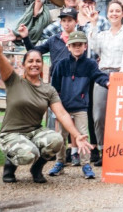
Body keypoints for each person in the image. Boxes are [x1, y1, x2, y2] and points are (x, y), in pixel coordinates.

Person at [0, 10, 92, 184]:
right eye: (30, 61)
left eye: (38, 61)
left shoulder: (48, 90)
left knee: (57, 140)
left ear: (42, 64)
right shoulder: (13, 80)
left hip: (33, 133)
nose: (34, 64)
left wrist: (77, 135)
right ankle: (10, 163)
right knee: (29, 153)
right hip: (11, 134)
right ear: (23, 65)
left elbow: (62, 114)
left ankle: (36, 168)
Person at [41, 30, 109, 179]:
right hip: (63, 107)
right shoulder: (60, 65)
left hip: (81, 107)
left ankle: (86, 164)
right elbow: (54, 88)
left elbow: (98, 76)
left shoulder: (90, 64)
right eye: (74, 45)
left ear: (85, 46)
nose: (77, 47)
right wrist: (56, 106)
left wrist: (107, 82)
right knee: (61, 136)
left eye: (80, 45)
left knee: (83, 134)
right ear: (68, 46)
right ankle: (60, 162)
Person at [88, 0, 123, 167]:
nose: (114, 14)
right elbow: (93, 49)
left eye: (117, 11)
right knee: (99, 115)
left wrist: (121, 76)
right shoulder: (102, 34)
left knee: (121, 116)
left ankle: (122, 150)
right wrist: (93, 24)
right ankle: (104, 150)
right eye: (111, 11)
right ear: (107, 15)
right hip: (102, 74)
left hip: (120, 73)